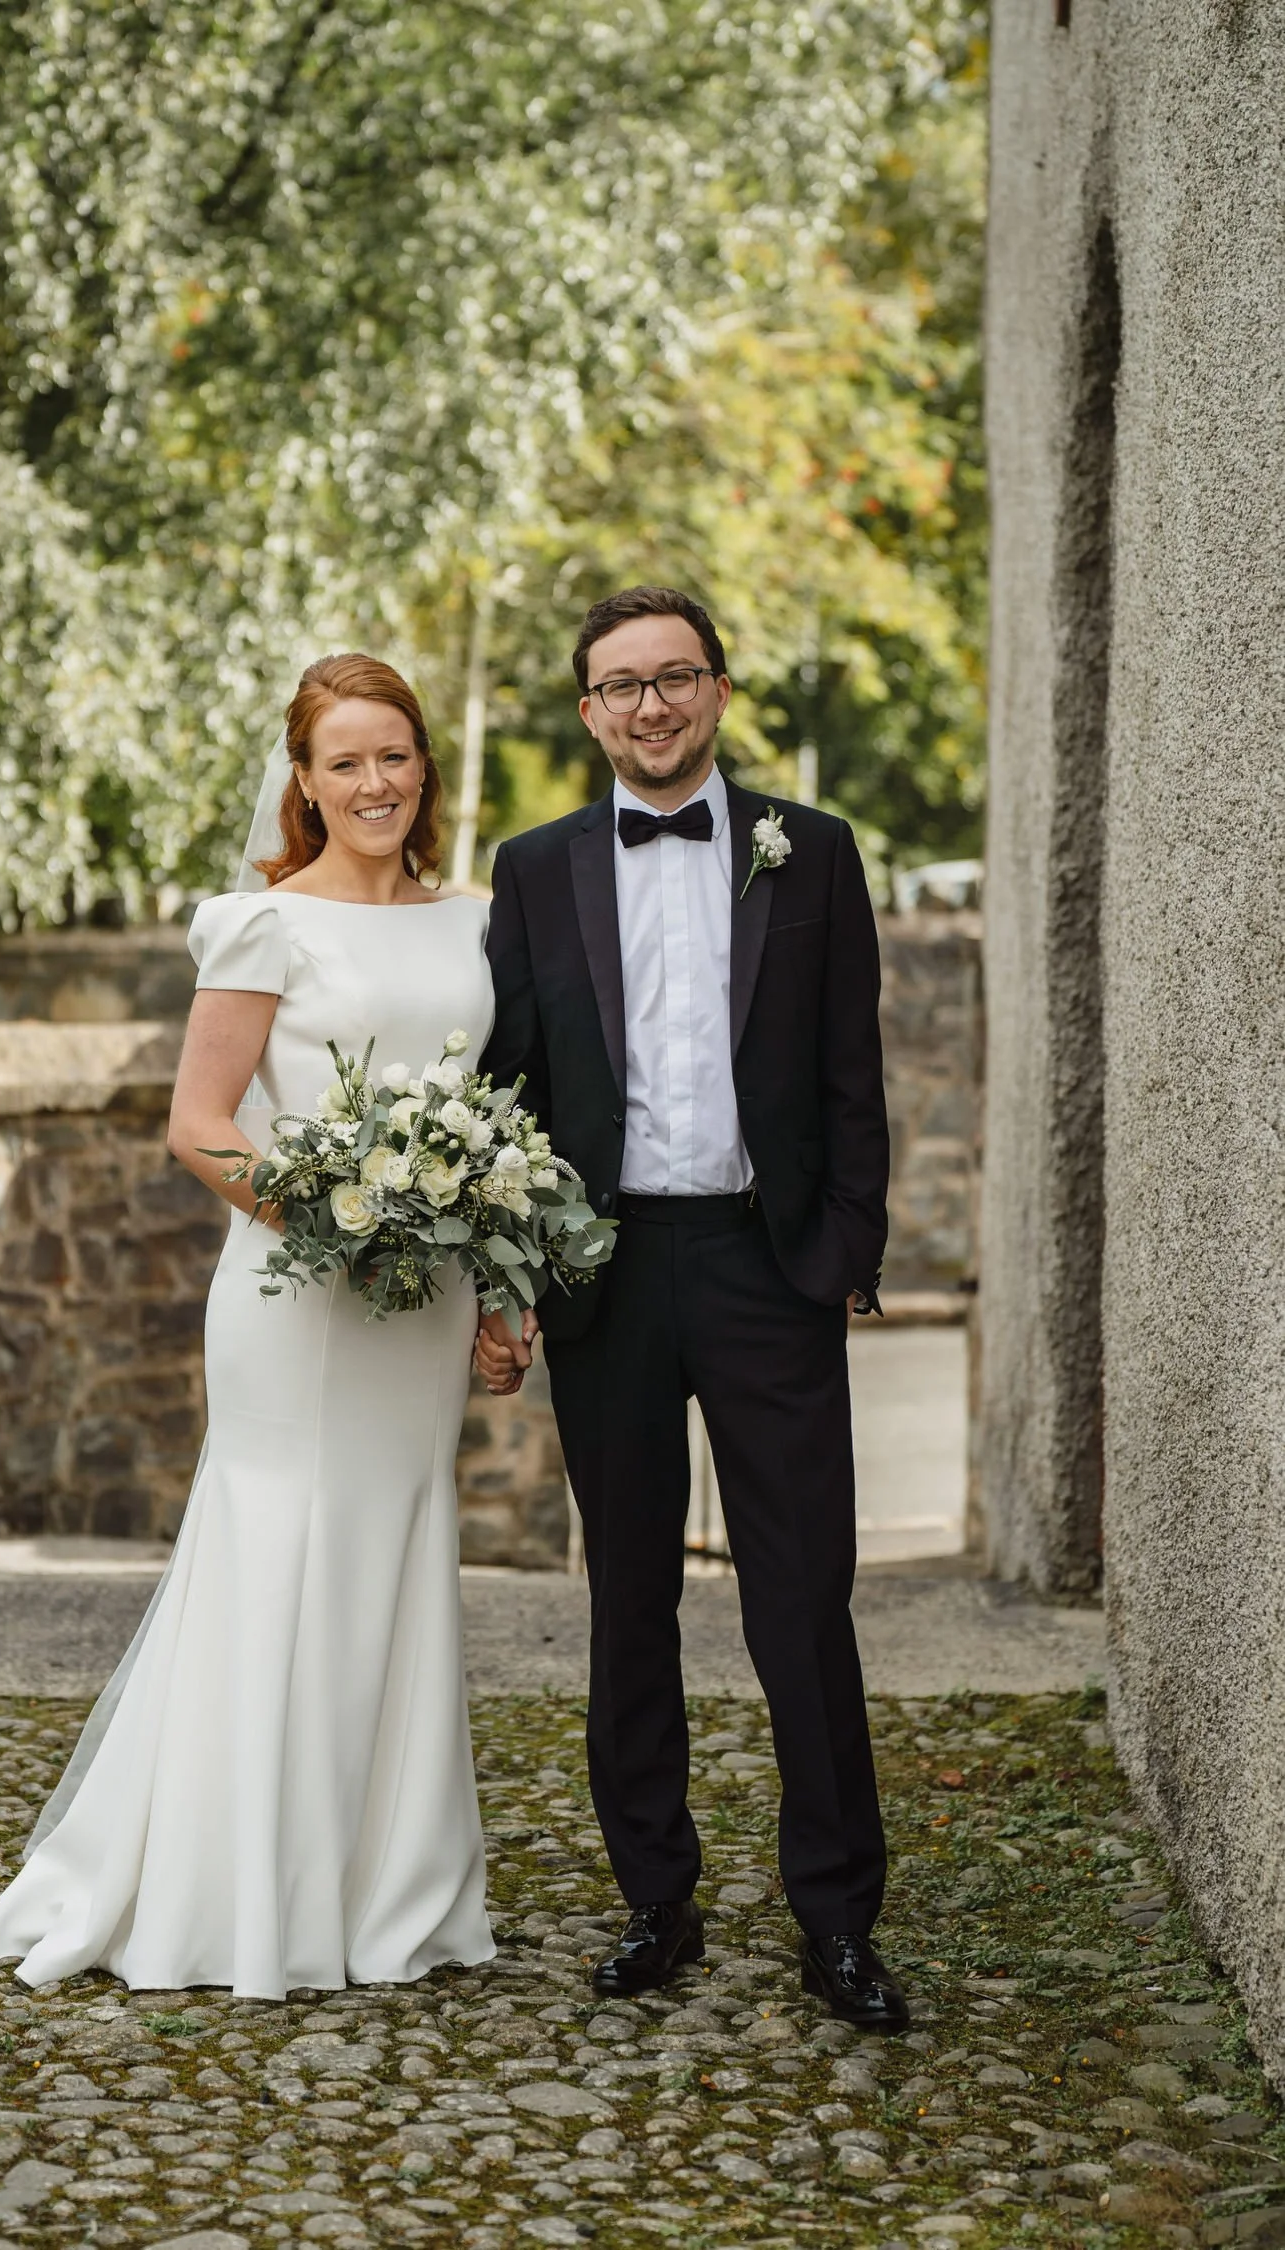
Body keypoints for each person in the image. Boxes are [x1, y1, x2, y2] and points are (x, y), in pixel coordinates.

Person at [0, 655, 496, 1996]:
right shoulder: (265, 925)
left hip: (423, 1305)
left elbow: (482, 1127)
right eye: (346, 763)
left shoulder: (475, 921)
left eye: (395, 756)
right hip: (299, 1296)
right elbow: (199, 1126)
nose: (375, 782)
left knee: (399, 1545)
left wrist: (492, 1284)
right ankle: (251, 1891)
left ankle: (393, 1893)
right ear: (305, 784)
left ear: (424, 766)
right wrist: (343, 1221)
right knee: (282, 1549)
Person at [476, 586, 907, 2031]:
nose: (649, 706)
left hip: (763, 1264)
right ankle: (657, 1898)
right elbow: (513, 1087)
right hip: (607, 1268)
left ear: (716, 691)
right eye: (620, 685)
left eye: (674, 678)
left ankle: (840, 1917)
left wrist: (846, 1245)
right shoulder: (533, 870)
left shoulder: (814, 853)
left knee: (803, 1598)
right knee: (630, 1599)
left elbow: (855, 1069)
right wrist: (517, 1269)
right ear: (588, 709)